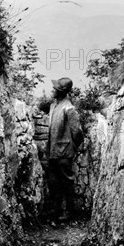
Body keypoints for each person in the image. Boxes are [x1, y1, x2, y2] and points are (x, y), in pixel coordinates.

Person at [45, 77, 84, 222]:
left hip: (64, 153)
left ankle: (70, 212)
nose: (53, 90)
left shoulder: (69, 108)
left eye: (55, 88)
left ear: (61, 92)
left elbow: (77, 132)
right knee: (54, 182)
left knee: (67, 182)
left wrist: (72, 147)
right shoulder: (53, 106)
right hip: (53, 152)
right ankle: (55, 210)